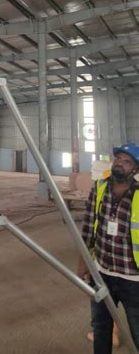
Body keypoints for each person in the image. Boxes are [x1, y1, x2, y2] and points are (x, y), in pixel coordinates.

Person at [78, 143, 139, 354]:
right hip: (101, 273)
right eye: (118, 158)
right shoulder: (100, 187)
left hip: (133, 279)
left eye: (127, 161)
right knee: (101, 329)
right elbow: (87, 227)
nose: (120, 163)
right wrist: (84, 261)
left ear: (135, 170)